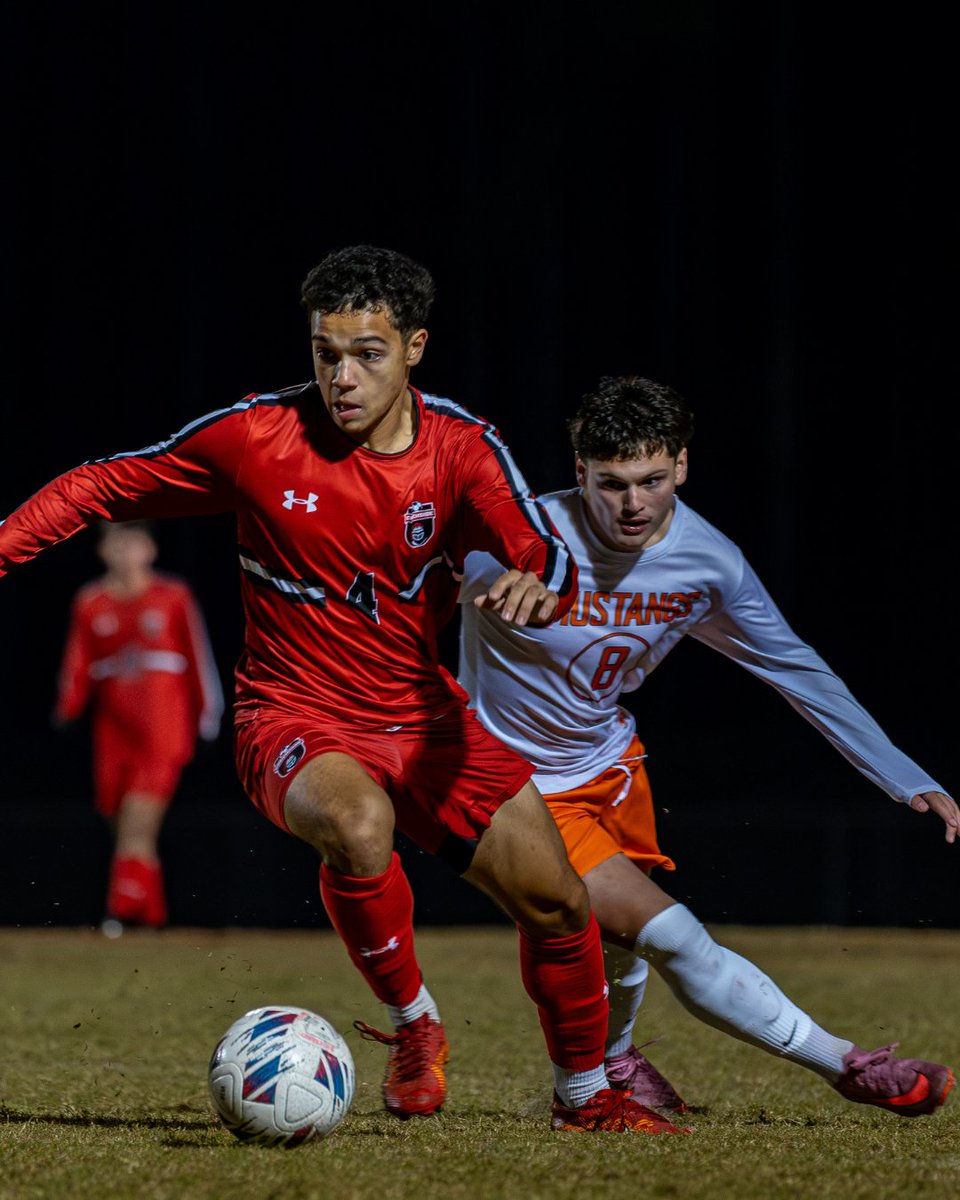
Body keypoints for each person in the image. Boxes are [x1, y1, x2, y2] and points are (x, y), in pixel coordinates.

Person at [0, 248, 688, 1136]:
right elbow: (100, 484)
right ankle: (414, 1024)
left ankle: (585, 1099)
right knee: (359, 825)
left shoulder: (460, 448)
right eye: (326, 352)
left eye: (367, 352)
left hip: (424, 716)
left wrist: (537, 583)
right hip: (289, 714)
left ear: (415, 349)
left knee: (559, 901)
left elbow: (539, 547)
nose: (341, 375)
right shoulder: (254, 438)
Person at [457, 374, 958, 1119]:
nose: (632, 504)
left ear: (682, 467)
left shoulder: (708, 563)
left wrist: (901, 774)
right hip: (517, 787)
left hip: (610, 766)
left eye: (652, 481)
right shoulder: (523, 534)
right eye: (612, 483)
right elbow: (413, 572)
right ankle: (845, 1064)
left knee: (623, 947)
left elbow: (795, 668)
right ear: (578, 471)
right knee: (674, 935)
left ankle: (615, 1061)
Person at [53, 519, 224, 935]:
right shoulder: (90, 602)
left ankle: (118, 915)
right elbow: (78, 662)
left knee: (137, 821)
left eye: (134, 543)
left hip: (163, 730)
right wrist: (68, 705)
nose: (125, 552)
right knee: (118, 818)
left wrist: (209, 717)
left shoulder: (172, 596)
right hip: (113, 732)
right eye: (117, 543)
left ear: (150, 549)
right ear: (103, 551)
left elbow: (199, 658)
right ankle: (149, 917)